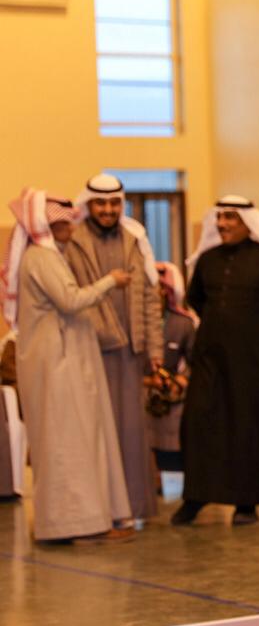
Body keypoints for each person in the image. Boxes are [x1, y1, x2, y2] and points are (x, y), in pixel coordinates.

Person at [4, 189, 133, 543]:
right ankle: (78, 525)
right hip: (57, 365)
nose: (71, 229)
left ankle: (80, 522)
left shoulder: (46, 256)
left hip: (61, 361)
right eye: (64, 224)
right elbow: (71, 300)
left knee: (73, 440)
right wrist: (110, 281)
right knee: (68, 443)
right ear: (47, 226)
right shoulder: (42, 258)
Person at [171, 196, 259, 527]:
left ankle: (247, 502)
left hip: (253, 361)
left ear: (248, 222)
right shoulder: (208, 259)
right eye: (220, 218)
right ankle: (197, 495)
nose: (223, 224)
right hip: (210, 358)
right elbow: (196, 298)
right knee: (200, 422)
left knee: (248, 425)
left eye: (230, 218)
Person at [63, 173, 163, 525]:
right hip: (89, 348)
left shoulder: (135, 239)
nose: (107, 210)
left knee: (132, 432)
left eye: (114, 203)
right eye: (100, 203)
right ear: (88, 204)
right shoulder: (73, 241)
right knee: (93, 430)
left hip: (130, 352)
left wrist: (155, 351)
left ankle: (132, 508)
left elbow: (150, 298)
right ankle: (98, 510)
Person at [144, 262, 197, 476]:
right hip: (139, 391)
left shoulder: (183, 324)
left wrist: (183, 379)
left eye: (160, 289)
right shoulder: (134, 324)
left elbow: (195, 362)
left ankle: (173, 485)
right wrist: (148, 381)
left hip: (171, 396)